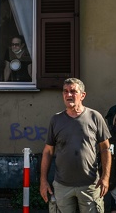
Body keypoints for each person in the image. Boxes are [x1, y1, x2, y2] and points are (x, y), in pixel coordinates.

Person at [40, 78, 111, 212]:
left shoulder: (95, 117)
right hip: (62, 185)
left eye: (73, 91)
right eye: (65, 91)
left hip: (90, 185)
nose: (69, 95)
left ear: (82, 95)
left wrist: (105, 177)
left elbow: (105, 148)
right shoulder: (56, 120)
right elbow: (48, 151)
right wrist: (43, 181)